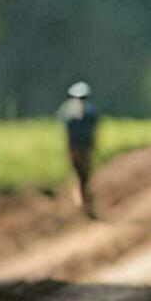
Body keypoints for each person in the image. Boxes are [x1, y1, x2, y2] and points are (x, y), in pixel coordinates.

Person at [57, 81, 100, 217]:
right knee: (84, 174)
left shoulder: (68, 110)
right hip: (84, 147)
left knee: (78, 173)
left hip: (76, 147)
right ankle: (84, 200)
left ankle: (82, 199)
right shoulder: (90, 111)